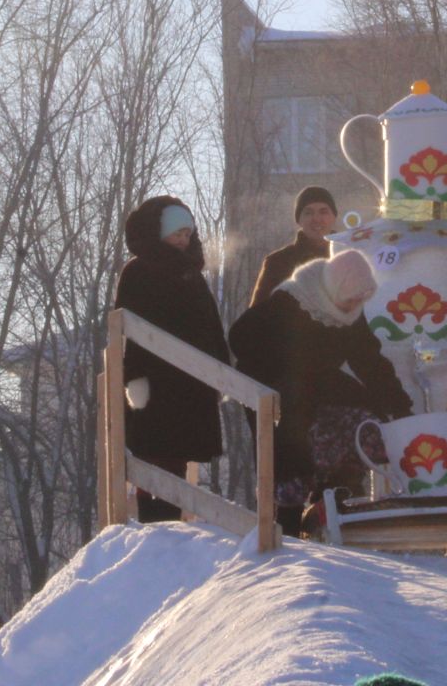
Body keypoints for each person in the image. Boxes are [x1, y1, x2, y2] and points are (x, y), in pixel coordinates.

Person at [229, 248, 413, 534]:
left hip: (318, 384)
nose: (355, 304)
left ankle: (334, 497)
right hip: (276, 385)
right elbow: (240, 337)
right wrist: (285, 366)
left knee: (364, 415)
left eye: (360, 299)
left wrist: (399, 405)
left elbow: (369, 361)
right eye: (351, 298)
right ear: (335, 289)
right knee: (294, 440)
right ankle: (288, 525)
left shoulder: (350, 311)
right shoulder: (291, 300)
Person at [114, 195, 231, 522]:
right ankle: (155, 523)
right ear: (157, 231)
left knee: (177, 456)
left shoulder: (192, 274)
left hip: (192, 383)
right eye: (176, 233)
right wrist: (134, 375)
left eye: (187, 234)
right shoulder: (138, 271)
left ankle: (170, 522)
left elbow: (212, 325)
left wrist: (221, 368)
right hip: (156, 379)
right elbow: (127, 327)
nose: (183, 239)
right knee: (154, 454)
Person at [249, 185, 338, 306]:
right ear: (299, 220)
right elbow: (256, 318)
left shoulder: (354, 259)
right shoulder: (277, 263)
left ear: (334, 217)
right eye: (308, 212)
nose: (316, 219)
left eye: (323, 212)